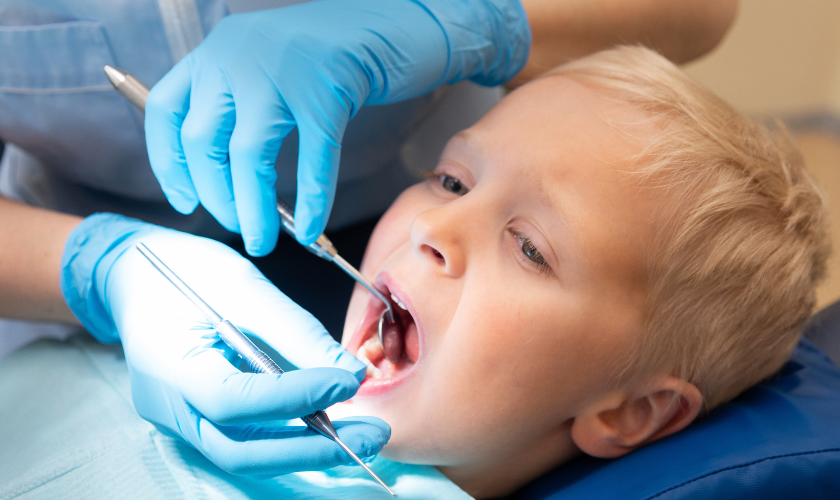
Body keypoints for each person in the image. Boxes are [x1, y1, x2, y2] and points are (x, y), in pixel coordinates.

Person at [0, 46, 827, 499]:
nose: (436, 229)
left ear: (634, 411)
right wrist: (98, 267)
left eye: (531, 247)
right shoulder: (180, 340)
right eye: (452, 179)